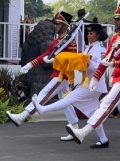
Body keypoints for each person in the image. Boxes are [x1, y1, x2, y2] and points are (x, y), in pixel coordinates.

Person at [65, 2, 120, 155]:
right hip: (118, 77)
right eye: (115, 18)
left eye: (119, 18)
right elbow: (105, 59)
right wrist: (96, 77)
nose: (115, 21)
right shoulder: (116, 37)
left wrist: (115, 63)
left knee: (106, 104)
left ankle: (84, 132)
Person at [32, 23, 110, 148]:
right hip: (86, 83)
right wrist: (58, 61)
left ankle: (43, 109)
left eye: (91, 33)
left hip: (93, 85)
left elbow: (100, 67)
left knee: (69, 99)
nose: (89, 35)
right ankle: (104, 139)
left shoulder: (101, 49)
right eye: (88, 33)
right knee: (92, 113)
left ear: (98, 35)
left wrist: (88, 62)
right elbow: (79, 64)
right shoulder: (88, 48)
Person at [6, 11, 80, 141]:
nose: (55, 26)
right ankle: (76, 129)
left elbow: (73, 58)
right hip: (58, 74)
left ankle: (22, 116)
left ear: (65, 25)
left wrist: (56, 59)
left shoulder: (70, 41)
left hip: (62, 75)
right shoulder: (57, 41)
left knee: (43, 95)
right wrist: (30, 64)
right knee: (66, 102)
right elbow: (46, 54)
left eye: (58, 24)